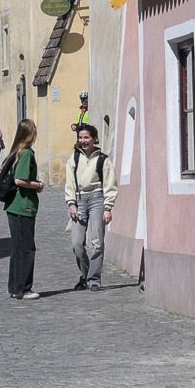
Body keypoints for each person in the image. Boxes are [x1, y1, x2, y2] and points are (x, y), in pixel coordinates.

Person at [65, 123, 117, 292]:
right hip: (79, 199)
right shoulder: (74, 158)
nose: (83, 141)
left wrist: (108, 207)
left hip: (97, 199)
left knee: (97, 242)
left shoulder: (103, 160)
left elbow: (110, 184)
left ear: (94, 139)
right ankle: (86, 273)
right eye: (80, 138)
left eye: (86, 137)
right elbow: (69, 183)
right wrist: (71, 203)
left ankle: (94, 279)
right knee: (77, 244)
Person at [2, 118, 45, 300]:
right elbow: (20, 180)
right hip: (23, 207)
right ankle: (24, 288)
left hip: (14, 206)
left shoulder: (15, 151)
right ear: (30, 134)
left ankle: (14, 287)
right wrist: (37, 185)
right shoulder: (26, 153)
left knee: (17, 248)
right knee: (27, 249)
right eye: (34, 130)